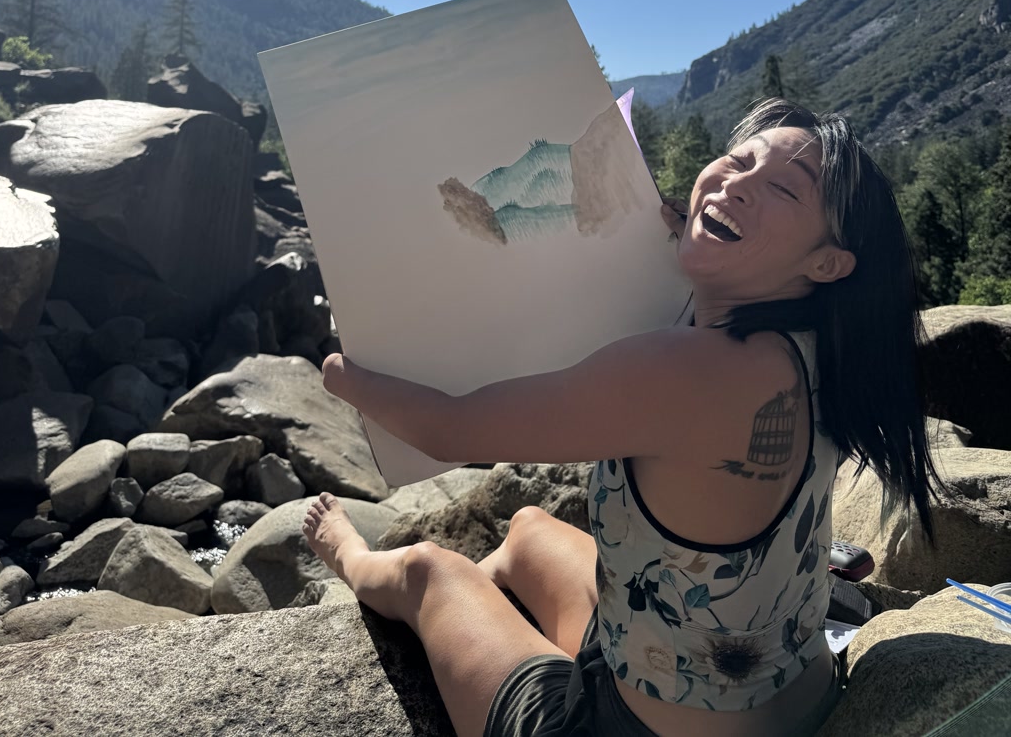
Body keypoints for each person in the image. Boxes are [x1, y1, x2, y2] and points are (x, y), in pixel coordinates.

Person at [303, 97, 947, 737]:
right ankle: (499, 624)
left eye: (782, 188)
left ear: (827, 262)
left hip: (622, 726)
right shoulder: (819, 351)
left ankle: (351, 555)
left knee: (429, 571)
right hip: (797, 699)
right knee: (528, 529)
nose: (738, 183)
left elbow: (447, 431)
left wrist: (344, 374)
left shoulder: (681, 369)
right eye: (737, 159)